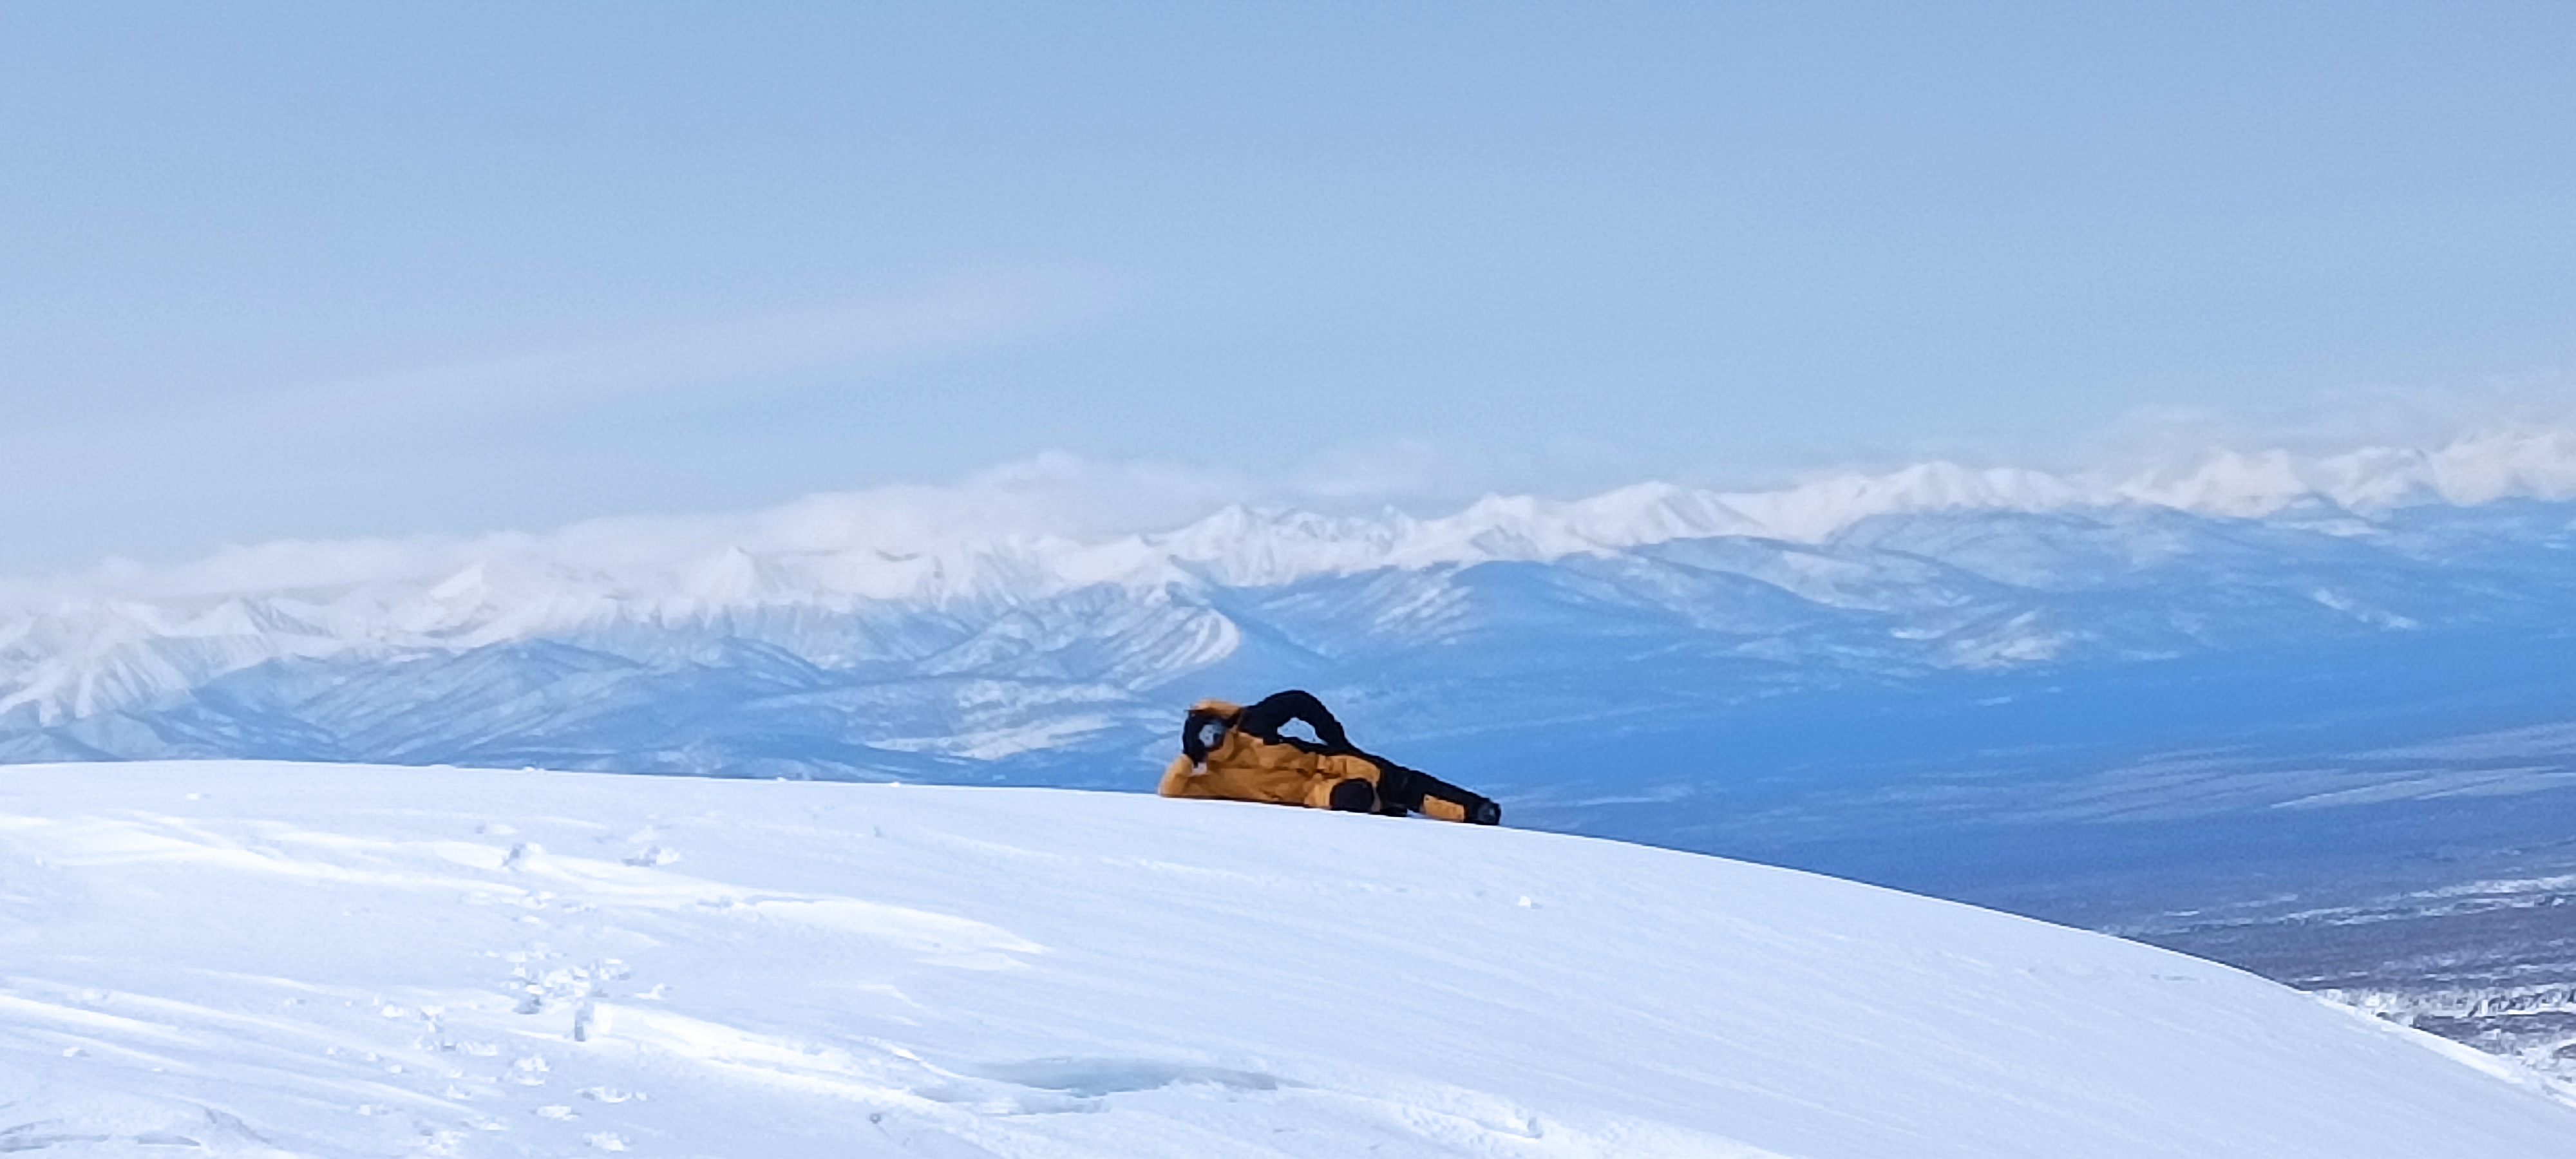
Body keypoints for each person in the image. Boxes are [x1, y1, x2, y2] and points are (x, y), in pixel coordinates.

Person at [1157, 690, 1501, 825]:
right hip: (1312, 796)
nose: (1218, 738)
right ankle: (1383, 808)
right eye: (1207, 739)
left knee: (1398, 780)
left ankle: (1475, 810)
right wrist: (1189, 758)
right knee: (1356, 797)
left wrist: (1334, 737)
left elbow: (1297, 700)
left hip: (1328, 762)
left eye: (1214, 729)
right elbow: (1169, 791)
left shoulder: (1252, 724)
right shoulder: (1209, 777)